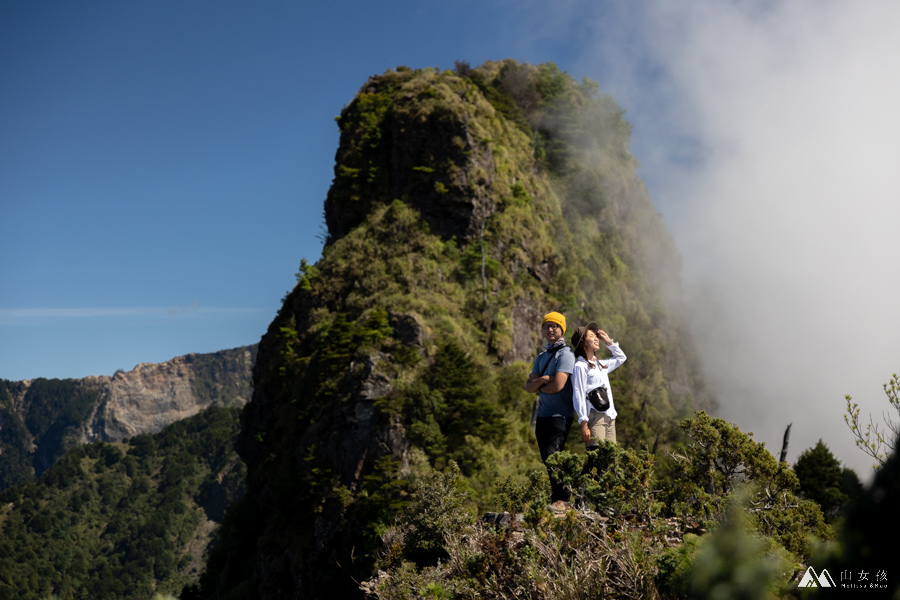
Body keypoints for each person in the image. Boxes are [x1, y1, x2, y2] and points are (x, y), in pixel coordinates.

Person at [525, 311, 575, 507]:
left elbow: (559, 385)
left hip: (560, 414)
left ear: (562, 329)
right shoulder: (542, 356)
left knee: (553, 454)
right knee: (547, 456)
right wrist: (546, 379)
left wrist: (541, 382)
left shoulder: (566, 354)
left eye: (555, 325)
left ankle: (563, 497)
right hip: (543, 414)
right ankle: (558, 497)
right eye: (547, 326)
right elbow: (528, 388)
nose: (550, 329)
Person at [569, 322, 626, 450]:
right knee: (596, 459)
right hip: (595, 416)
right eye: (591, 336)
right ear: (583, 343)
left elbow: (621, 358)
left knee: (610, 459)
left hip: (610, 417)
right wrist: (584, 423)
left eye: (596, 336)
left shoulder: (601, 365)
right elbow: (578, 394)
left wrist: (608, 341)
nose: (596, 338)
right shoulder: (580, 367)